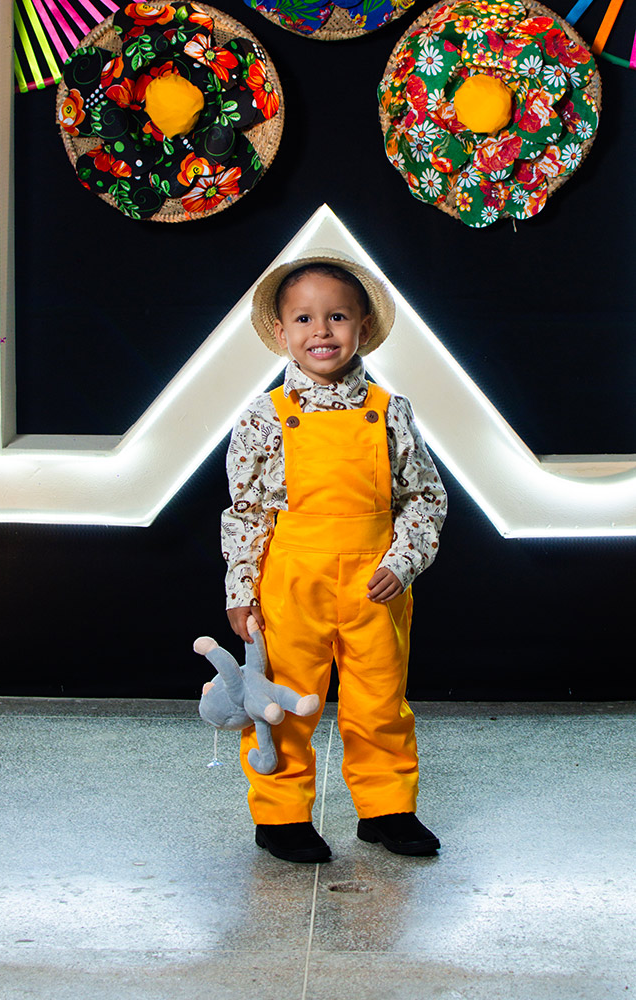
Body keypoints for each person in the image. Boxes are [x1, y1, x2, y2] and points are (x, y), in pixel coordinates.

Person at [221, 248, 447, 863]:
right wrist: (241, 590)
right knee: (283, 701)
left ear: (363, 327)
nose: (321, 331)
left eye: (338, 317)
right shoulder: (265, 418)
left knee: (380, 700)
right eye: (304, 319)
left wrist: (401, 563)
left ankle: (387, 808)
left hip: (375, 581)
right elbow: (246, 512)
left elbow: (425, 498)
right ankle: (280, 815)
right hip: (292, 581)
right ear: (281, 332)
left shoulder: (389, 412)